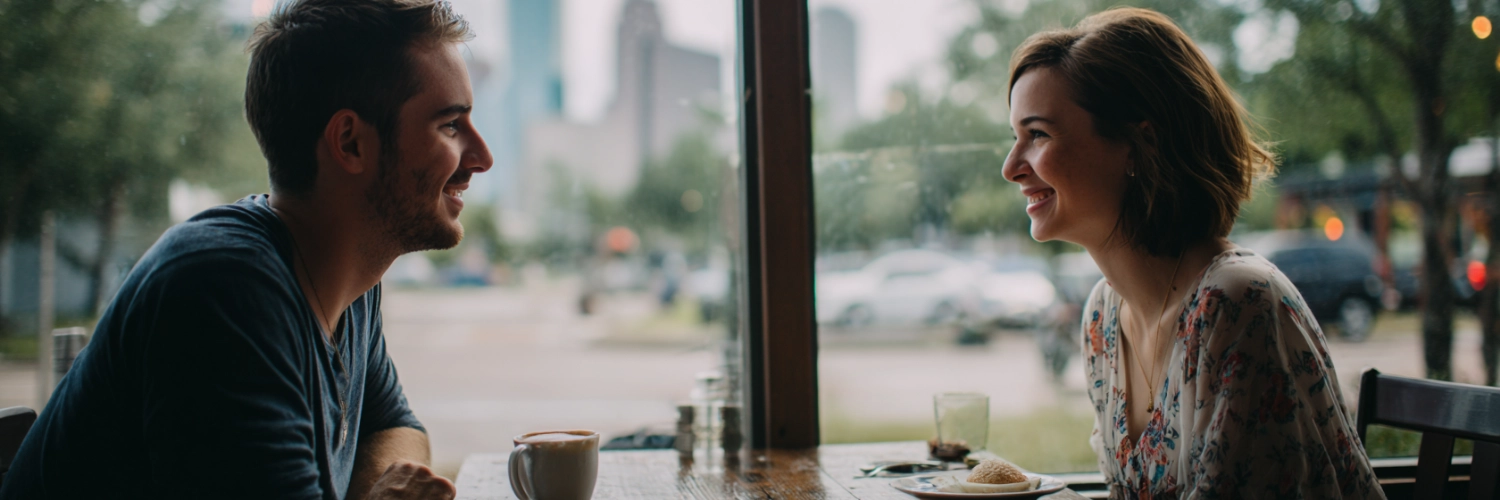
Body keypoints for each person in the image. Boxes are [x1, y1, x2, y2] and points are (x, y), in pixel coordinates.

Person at [0, 0, 492, 498]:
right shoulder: (223, 292)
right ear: (350, 143)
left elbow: (394, 428)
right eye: (450, 125)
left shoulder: (346, 279)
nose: (482, 157)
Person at [1001, 8, 1383, 498]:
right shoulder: (1104, 317)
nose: (1011, 167)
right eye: (1016, 138)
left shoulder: (1237, 303)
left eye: (1038, 135)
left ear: (1141, 144)